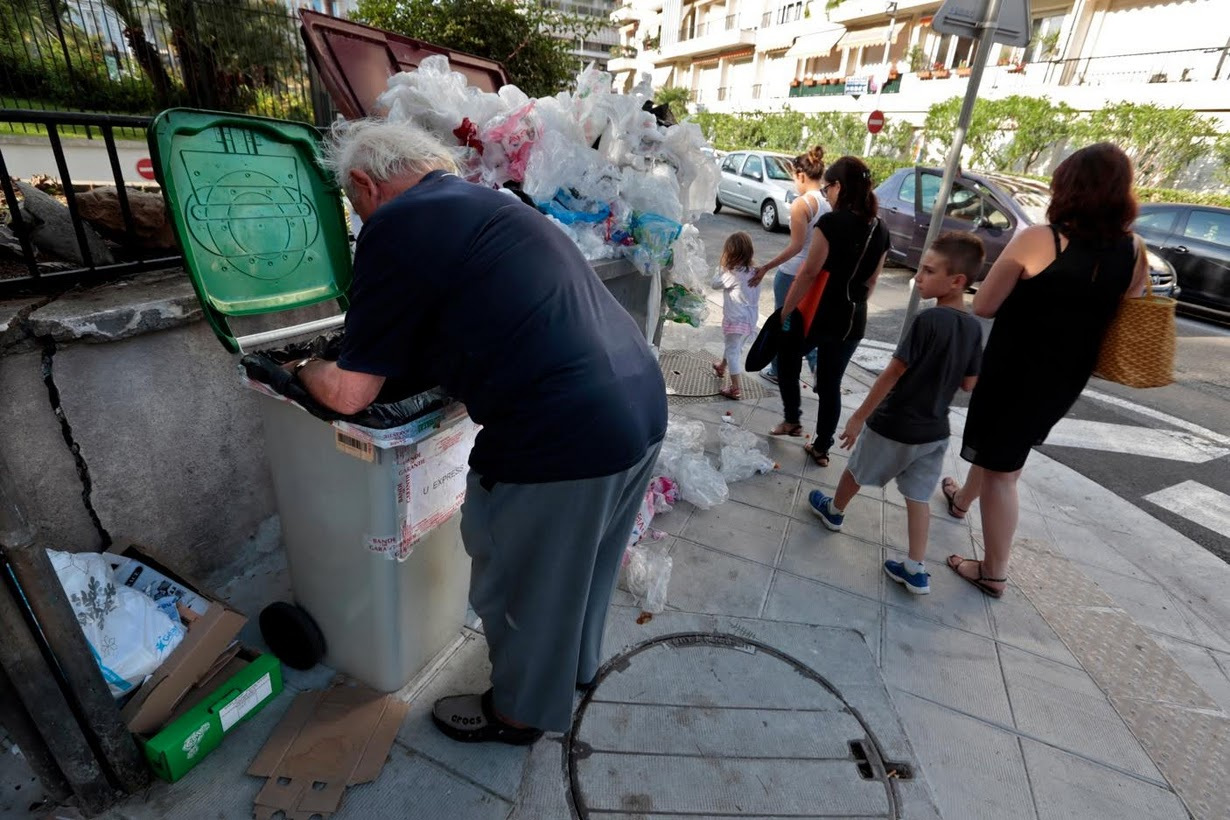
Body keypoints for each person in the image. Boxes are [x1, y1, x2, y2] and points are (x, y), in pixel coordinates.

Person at [290, 119, 667, 742]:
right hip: (639, 402)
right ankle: (571, 671)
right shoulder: (487, 203)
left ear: (365, 184)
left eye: (355, 208)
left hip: (564, 431)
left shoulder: (396, 224)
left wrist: (305, 367)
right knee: (583, 566)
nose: (359, 222)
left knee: (521, 575)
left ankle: (516, 714)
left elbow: (350, 392)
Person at [940, 143, 1148, 598]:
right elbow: (1129, 308)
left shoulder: (1041, 239)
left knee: (1003, 472)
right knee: (1000, 450)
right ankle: (961, 500)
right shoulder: (1134, 249)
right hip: (1067, 376)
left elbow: (987, 305)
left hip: (1016, 370)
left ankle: (993, 571)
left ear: (1068, 187)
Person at [809, 232, 985, 595]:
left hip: (894, 423)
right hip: (935, 432)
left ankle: (835, 510)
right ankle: (915, 567)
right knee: (918, 497)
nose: (918, 277)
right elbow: (969, 384)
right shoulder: (971, 328)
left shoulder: (928, 320)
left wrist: (859, 417)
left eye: (928, 270)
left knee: (857, 469)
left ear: (957, 281)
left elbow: (893, 372)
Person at [771, 156, 891, 470]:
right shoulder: (880, 229)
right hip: (853, 320)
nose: (827, 195)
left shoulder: (832, 223)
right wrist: (854, 301)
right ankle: (822, 447)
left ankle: (793, 420)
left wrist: (786, 310)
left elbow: (809, 273)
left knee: (786, 357)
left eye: (828, 189)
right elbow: (872, 280)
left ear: (839, 186)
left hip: (818, 314)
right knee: (829, 385)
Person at [750, 146, 830, 383]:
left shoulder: (802, 205)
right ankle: (817, 371)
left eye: (793, 177)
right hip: (815, 274)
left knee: (783, 322)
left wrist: (766, 266)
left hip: (791, 273)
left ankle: (778, 371)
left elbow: (795, 247)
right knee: (806, 323)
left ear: (801, 175)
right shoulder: (828, 204)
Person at [710, 231, 760, 400]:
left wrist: (721, 269)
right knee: (734, 346)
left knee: (733, 351)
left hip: (736, 318)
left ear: (730, 253)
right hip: (750, 319)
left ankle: (735, 388)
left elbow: (714, 284)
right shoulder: (754, 272)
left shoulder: (731, 274)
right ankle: (722, 366)